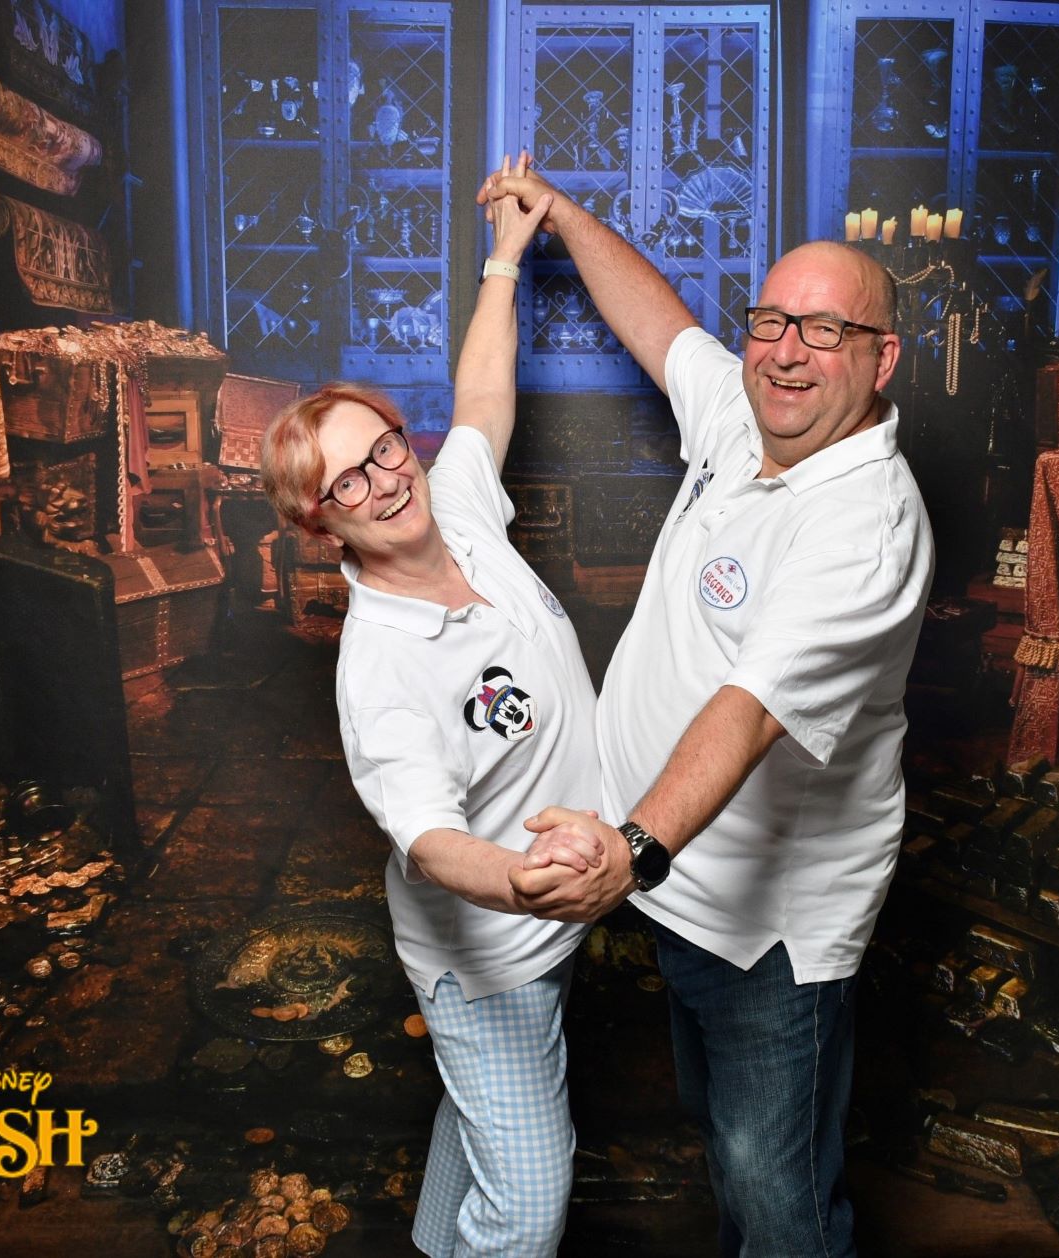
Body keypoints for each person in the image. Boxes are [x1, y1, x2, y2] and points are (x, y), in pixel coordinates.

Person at [479, 166, 935, 1257]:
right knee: (726, 1148)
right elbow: (662, 324)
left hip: (766, 929)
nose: (787, 352)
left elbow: (750, 708)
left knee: (775, 1192)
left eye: (826, 331)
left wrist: (633, 848)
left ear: (882, 358)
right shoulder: (747, 413)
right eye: (772, 321)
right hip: (680, 889)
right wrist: (563, 216)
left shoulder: (863, 525)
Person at [261, 156, 606, 1258]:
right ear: (321, 525)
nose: (384, 481)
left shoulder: (456, 507)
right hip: (492, 954)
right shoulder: (379, 671)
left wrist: (505, 258)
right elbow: (429, 839)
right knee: (531, 1200)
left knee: (478, 1117)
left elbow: (483, 397)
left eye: (383, 449)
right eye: (348, 482)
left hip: (552, 925)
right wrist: (527, 882)